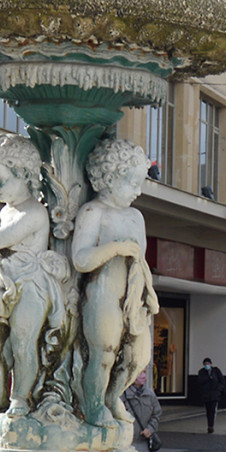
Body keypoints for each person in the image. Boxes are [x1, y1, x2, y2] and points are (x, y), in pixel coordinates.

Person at [0, 134, 70, 418]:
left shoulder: (34, 212)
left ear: (24, 175)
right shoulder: (5, 210)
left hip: (30, 285)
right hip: (0, 286)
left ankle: (20, 398)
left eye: (1, 181)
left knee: (24, 344)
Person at [71, 138, 160, 428]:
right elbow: (81, 259)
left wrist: (146, 296)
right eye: (131, 182)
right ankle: (95, 405)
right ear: (108, 178)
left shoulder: (136, 216)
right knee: (104, 353)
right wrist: (116, 248)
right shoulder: (94, 212)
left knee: (138, 357)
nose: (138, 190)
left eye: (140, 183)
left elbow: (141, 261)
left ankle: (113, 396)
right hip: (102, 294)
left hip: (132, 297)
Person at [121, 371, 161, 452]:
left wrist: (151, 428)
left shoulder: (150, 394)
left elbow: (157, 414)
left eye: (144, 373)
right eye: (140, 374)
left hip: (142, 441)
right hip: (127, 442)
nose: (143, 376)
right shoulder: (122, 396)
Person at [197, 357, 226, 433]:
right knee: (208, 410)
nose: (207, 365)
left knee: (212, 410)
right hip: (206, 394)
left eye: (208, 364)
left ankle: (211, 426)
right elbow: (200, 381)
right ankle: (209, 424)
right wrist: (208, 378)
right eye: (205, 364)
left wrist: (218, 390)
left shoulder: (216, 371)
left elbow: (222, 381)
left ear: (211, 364)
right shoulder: (201, 372)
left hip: (215, 394)